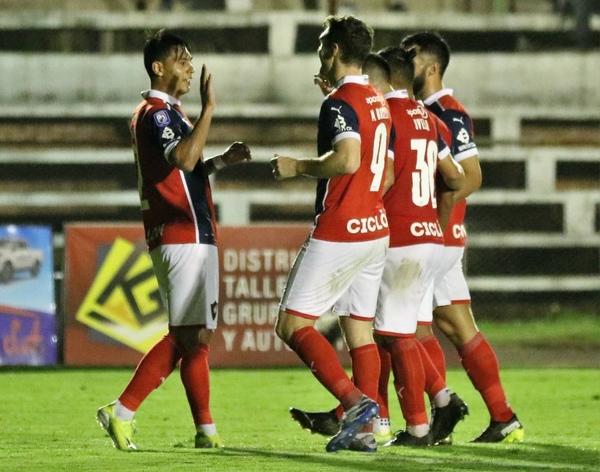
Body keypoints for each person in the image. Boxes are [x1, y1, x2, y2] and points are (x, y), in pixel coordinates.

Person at [289, 49, 469, 448]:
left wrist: (370, 204)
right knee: (392, 331)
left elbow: (382, 173)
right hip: (428, 238)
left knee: (393, 335)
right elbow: (455, 179)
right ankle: (371, 419)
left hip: (394, 235)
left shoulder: (387, 117)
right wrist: (436, 223)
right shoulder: (432, 120)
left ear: (380, 80)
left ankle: (419, 418)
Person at [96, 29, 251, 451]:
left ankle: (206, 433)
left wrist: (221, 161)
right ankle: (122, 411)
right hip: (182, 234)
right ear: (158, 68)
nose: (189, 67)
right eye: (182, 60)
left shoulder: (168, 115)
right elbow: (183, 159)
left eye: (190, 58)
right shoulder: (158, 113)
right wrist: (210, 110)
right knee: (187, 336)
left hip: (189, 232)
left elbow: (186, 171)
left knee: (197, 336)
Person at [270, 15, 393, 454]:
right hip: (376, 230)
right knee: (359, 332)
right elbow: (388, 170)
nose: (319, 50)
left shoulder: (340, 105)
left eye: (323, 43)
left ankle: (356, 403)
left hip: (341, 229)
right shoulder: (376, 101)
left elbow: (347, 160)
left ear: (334, 50)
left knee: (291, 324)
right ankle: (368, 428)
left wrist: (296, 167)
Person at [399, 31, 524, 444]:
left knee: (408, 330)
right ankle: (502, 417)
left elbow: (471, 177)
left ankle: (439, 414)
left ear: (432, 67)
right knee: (455, 326)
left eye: (411, 58)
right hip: (440, 236)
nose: (405, 63)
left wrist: (433, 220)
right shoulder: (423, 111)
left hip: (439, 236)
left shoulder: (449, 113)